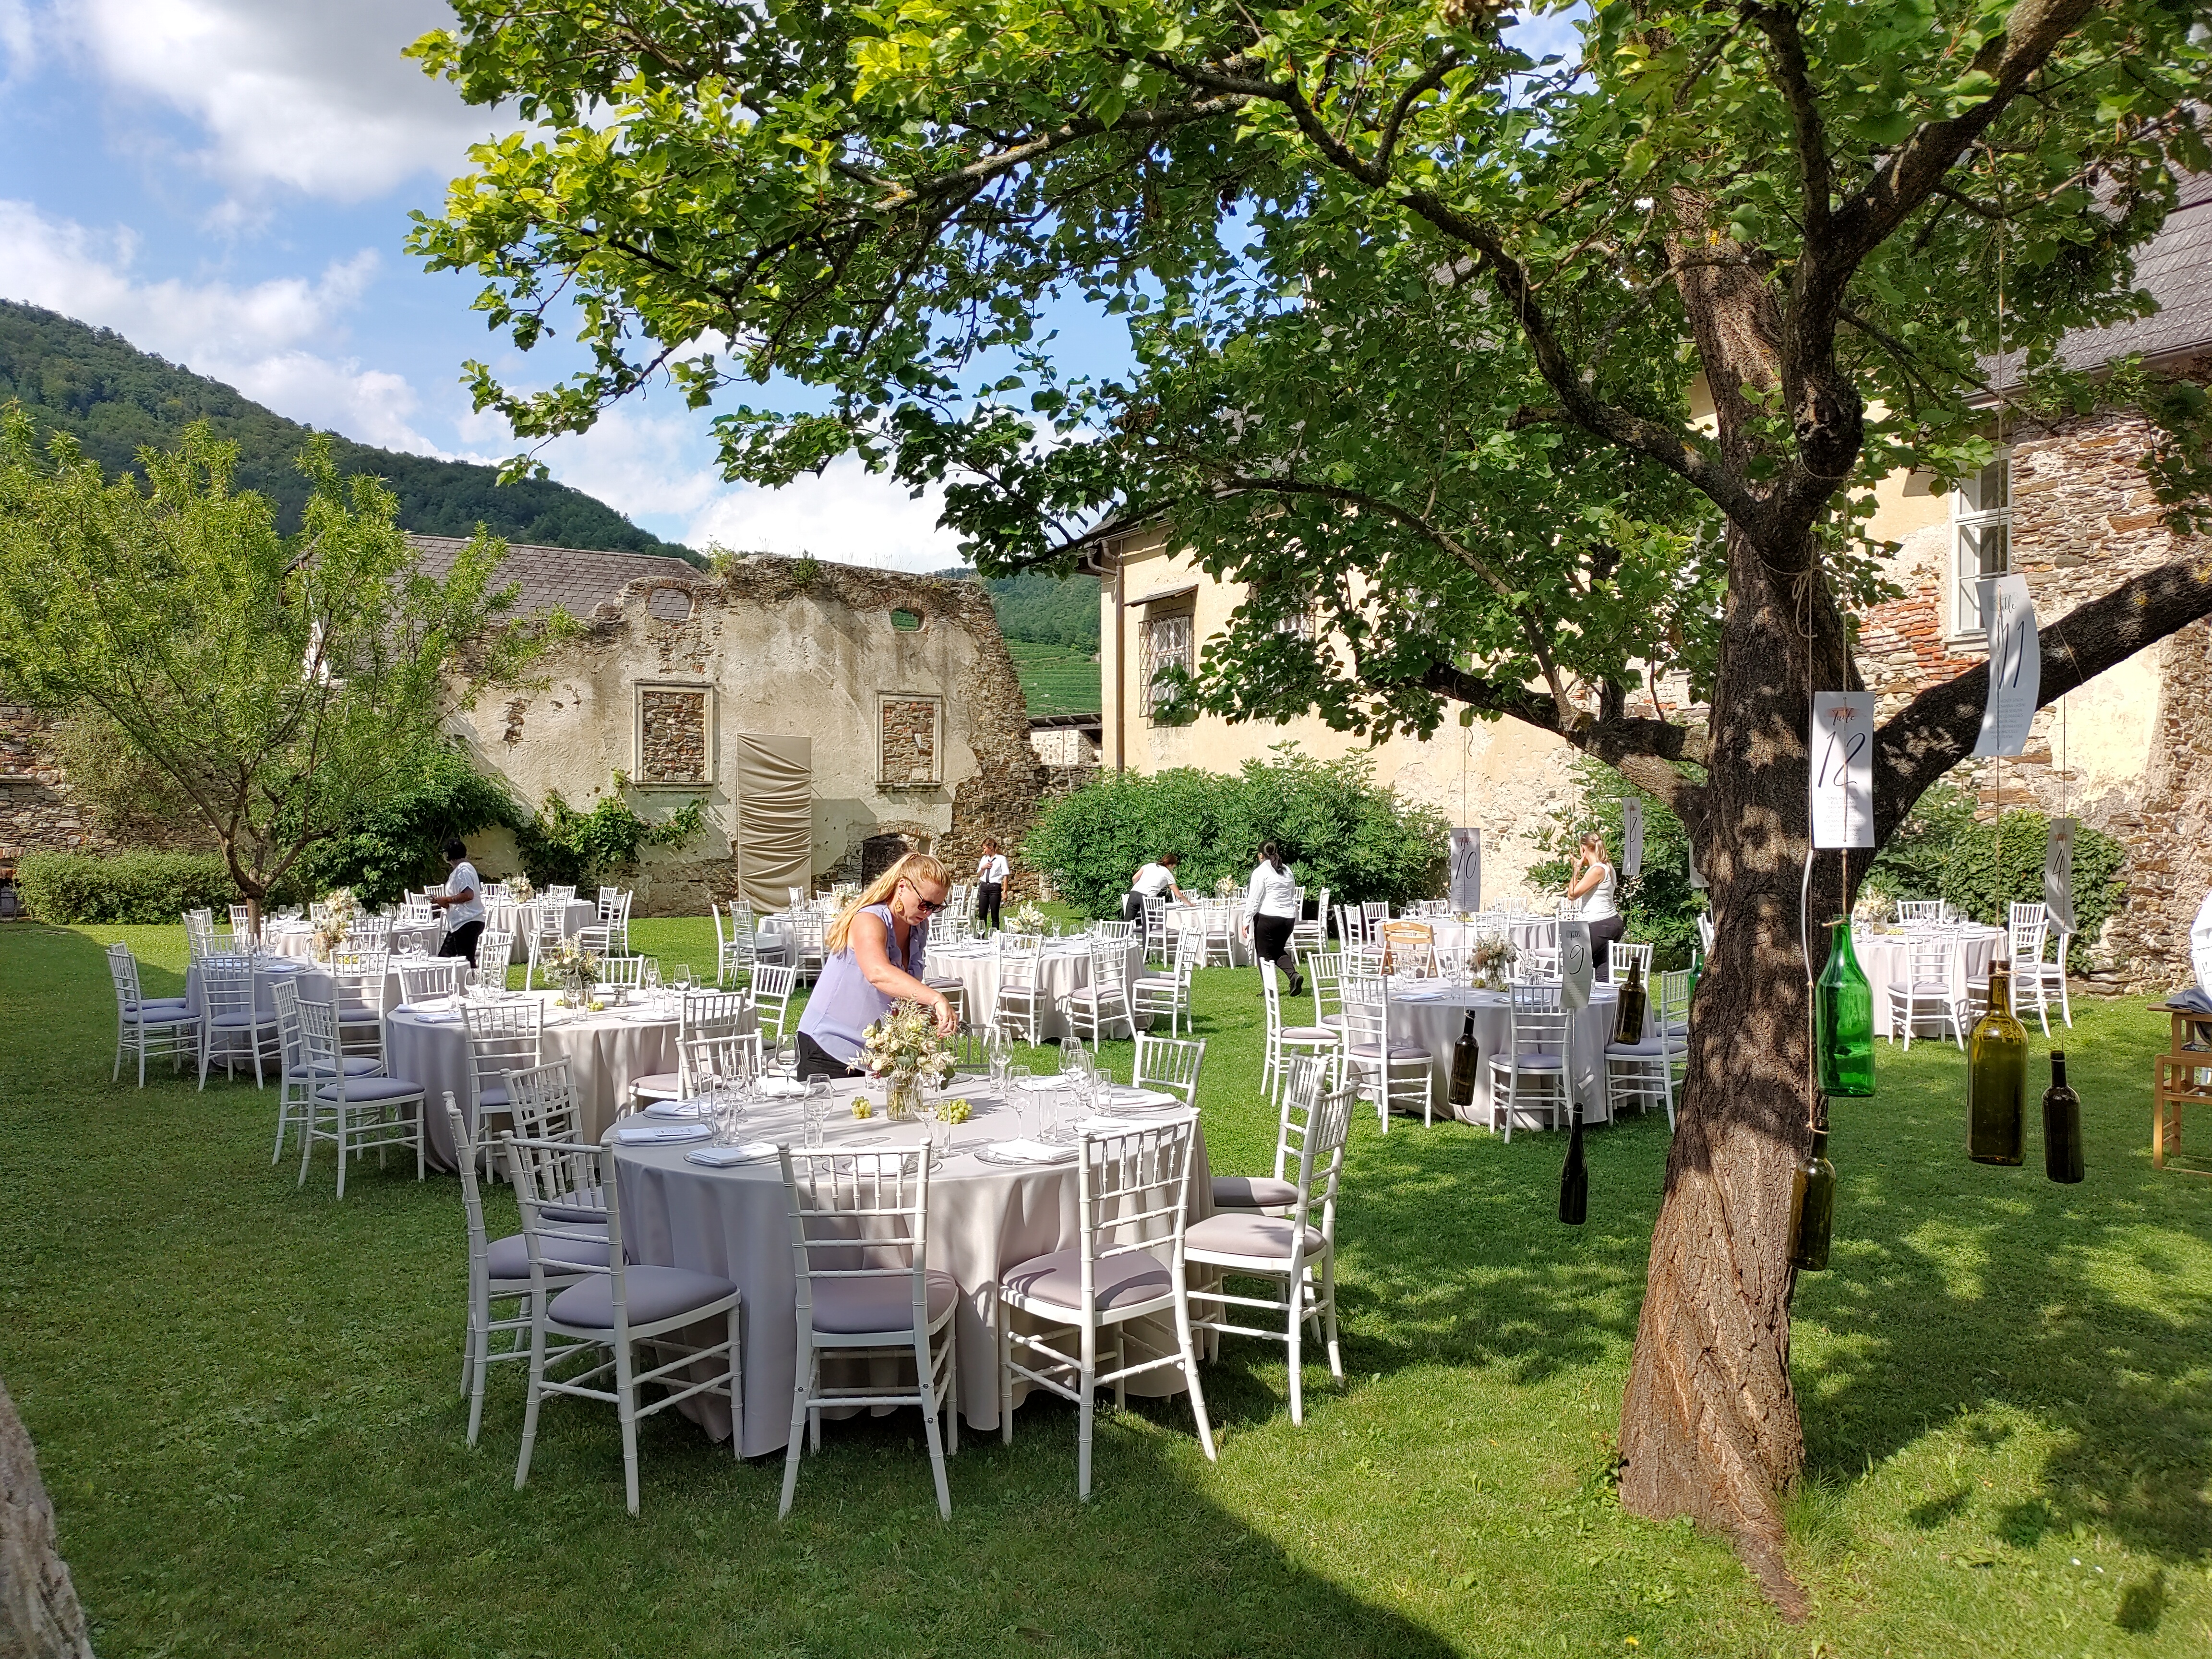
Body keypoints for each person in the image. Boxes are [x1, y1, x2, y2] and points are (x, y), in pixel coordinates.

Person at [794, 852, 959, 1081]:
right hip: (827, 1047)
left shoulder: (918, 929)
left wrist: (925, 1017)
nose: (928, 912)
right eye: (925, 904)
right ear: (903, 887)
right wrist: (936, 998)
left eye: (937, 907)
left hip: (874, 1056)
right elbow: (878, 973)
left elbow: (903, 989)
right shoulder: (869, 920)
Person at [1243, 841, 1304, 998]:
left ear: (1261, 855)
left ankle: (1269, 989)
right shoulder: (1287, 870)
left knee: (1264, 954)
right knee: (1277, 951)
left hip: (1268, 917)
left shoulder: (1261, 871)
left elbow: (1254, 899)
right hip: (1288, 919)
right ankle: (1293, 976)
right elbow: (1292, 894)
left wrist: (1246, 919)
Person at [1564, 831, 1624, 979]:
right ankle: (1603, 1000)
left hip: (1598, 923)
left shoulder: (1597, 870)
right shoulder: (1608, 866)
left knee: (1576, 965)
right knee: (1602, 967)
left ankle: (1575, 1000)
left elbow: (1572, 895)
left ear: (1583, 848)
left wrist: (1576, 870)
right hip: (1611, 921)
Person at [428, 838, 486, 965]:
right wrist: (444, 902)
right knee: (445, 959)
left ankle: (471, 984)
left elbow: (468, 895)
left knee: (465, 963)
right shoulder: (463, 869)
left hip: (467, 923)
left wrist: (446, 899)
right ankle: (459, 983)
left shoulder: (463, 870)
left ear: (448, 855)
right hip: (459, 924)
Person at [1122, 852, 1189, 925]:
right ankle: (1147, 936)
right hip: (1147, 897)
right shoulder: (1167, 873)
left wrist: (1138, 888)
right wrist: (1190, 904)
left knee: (1127, 923)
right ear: (1170, 865)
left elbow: (1135, 878)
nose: (1173, 869)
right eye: (1173, 867)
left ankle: (1123, 936)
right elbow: (1178, 895)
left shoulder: (1149, 866)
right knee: (1148, 924)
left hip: (1134, 893)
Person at [974, 838, 1009, 931]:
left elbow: (1006, 876)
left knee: (994, 914)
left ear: (991, 847)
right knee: (982, 914)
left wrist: (1004, 891)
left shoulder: (1001, 859)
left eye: (985, 848)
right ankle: (981, 936)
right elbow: (979, 874)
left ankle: (994, 937)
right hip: (984, 887)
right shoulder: (984, 859)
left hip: (995, 888)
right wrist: (983, 868)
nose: (984, 851)